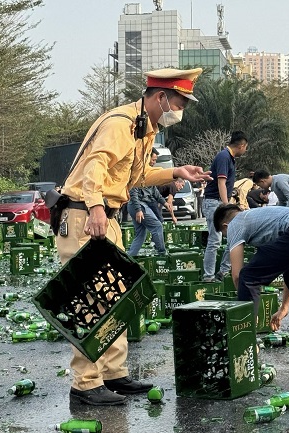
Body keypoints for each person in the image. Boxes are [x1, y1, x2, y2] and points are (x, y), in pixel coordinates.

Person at [57, 67, 210, 406]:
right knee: (90, 301)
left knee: (117, 296)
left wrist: (175, 172)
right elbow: (96, 165)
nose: (181, 111)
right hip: (85, 215)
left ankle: (113, 373)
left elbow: (136, 175)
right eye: (180, 103)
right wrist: (97, 206)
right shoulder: (120, 124)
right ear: (160, 97)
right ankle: (85, 384)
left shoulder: (145, 129)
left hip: (104, 216)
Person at [213, 204, 289, 348]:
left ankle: (246, 342)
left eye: (225, 235)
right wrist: (284, 308)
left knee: (248, 276)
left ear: (225, 226)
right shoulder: (262, 219)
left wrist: (249, 313)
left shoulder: (235, 223)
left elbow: (237, 275)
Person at [202, 131, 249, 282]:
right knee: (214, 240)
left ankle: (223, 272)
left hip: (220, 202)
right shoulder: (223, 156)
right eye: (245, 147)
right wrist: (226, 205)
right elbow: (221, 182)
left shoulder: (230, 158)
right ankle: (208, 276)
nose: (245, 150)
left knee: (233, 236)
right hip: (214, 202)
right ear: (241, 145)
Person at [126, 148, 176, 256]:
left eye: (155, 160)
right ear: (147, 157)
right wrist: (138, 209)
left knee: (141, 234)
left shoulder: (148, 173)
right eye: (153, 160)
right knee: (157, 226)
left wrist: (165, 203)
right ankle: (162, 253)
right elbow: (133, 191)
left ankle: (130, 256)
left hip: (139, 205)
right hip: (138, 205)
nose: (154, 163)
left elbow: (154, 192)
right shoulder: (138, 171)